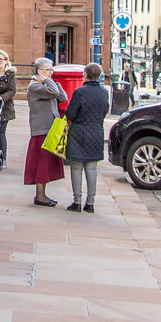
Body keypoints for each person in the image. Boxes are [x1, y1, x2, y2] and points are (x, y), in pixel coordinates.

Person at [64, 62, 111, 213]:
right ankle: (90, 203)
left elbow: (70, 114)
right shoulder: (104, 92)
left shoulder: (80, 92)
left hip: (78, 131)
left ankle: (77, 201)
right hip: (96, 131)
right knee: (92, 168)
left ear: (85, 75)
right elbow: (105, 111)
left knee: (76, 167)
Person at [24, 57, 67, 206]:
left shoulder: (47, 85)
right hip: (41, 129)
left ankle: (42, 195)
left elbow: (62, 97)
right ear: (40, 71)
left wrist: (54, 81)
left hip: (50, 128)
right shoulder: (34, 86)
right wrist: (48, 81)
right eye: (49, 70)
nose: (51, 72)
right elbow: (53, 92)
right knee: (41, 165)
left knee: (47, 165)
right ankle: (40, 196)